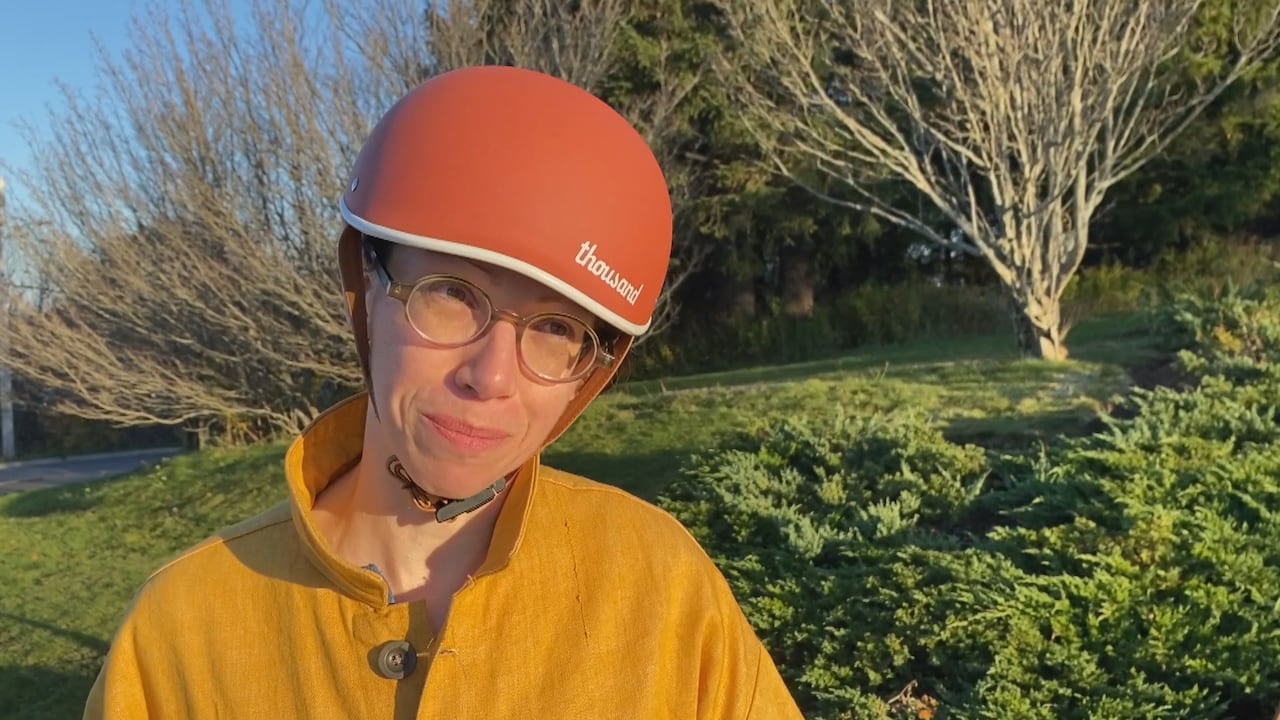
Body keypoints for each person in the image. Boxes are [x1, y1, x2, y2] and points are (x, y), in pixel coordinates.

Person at [84, 65, 804, 719]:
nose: (490, 376)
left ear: (595, 367)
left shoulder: (661, 590)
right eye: (452, 294)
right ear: (366, 289)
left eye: (555, 329)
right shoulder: (181, 632)